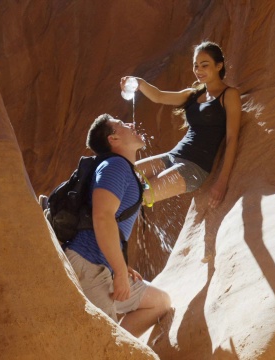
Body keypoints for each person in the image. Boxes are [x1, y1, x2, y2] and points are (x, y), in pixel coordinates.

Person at [63, 113, 171, 337]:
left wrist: (118, 264)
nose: (131, 124)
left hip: (103, 267)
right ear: (113, 139)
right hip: (88, 266)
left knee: (160, 302)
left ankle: (123, 347)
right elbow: (102, 217)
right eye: (122, 125)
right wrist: (120, 271)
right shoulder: (115, 167)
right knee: (104, 343)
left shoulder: (122, 168)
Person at [120, 41, 241, 209]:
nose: (198, 70)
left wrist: (222, 181)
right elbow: (159, 96)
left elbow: (232, 138)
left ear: (219, 65)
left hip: (194, 168)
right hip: (172, 156)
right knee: (122, 174)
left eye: (204, 65)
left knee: (138, 195)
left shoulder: (229, 95)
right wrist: (139, 83)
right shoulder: (193, 94)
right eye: (196, 66)